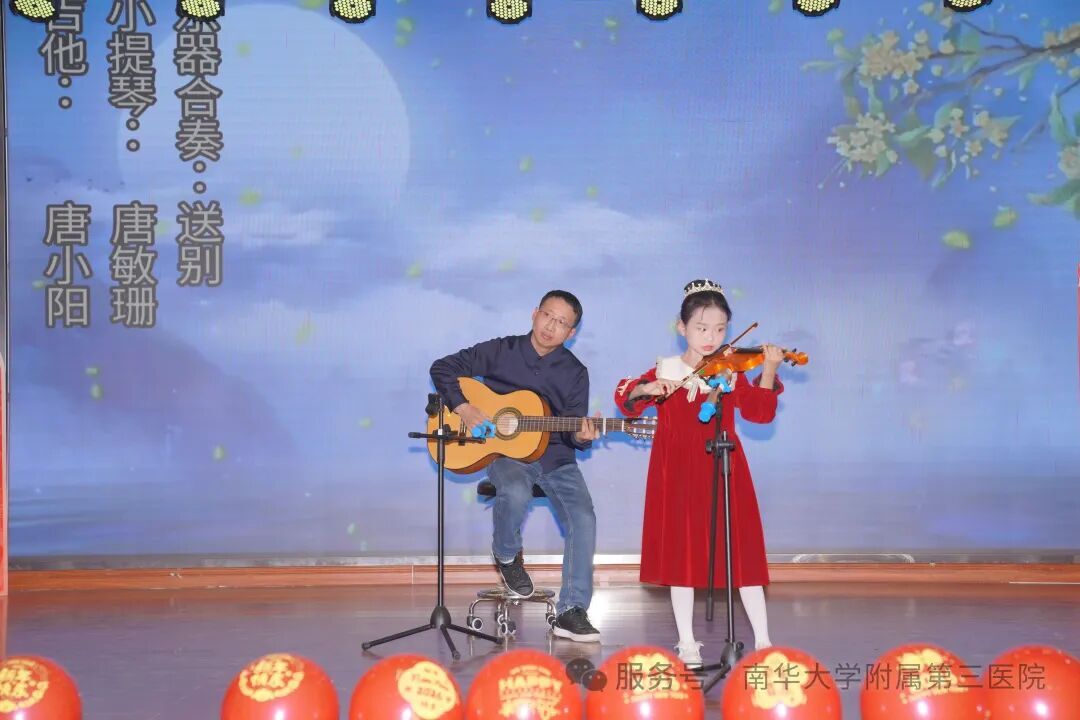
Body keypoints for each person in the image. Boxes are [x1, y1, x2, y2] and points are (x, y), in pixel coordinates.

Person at [613, 278, 784, 668]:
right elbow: (626, 398)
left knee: (742, 552)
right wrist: (647, 389)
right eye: (701, 328)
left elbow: (760, 413)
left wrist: (769, 369)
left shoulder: (730, 371)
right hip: (677, 470)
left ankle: (763, 640)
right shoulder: (666, 369)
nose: (711, 338)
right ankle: (687, 642)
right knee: (682, 555)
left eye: (720, 329)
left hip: (724, 466)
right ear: (682, 327)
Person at [429, 290, 603, 642]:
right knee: (515, 489)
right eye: (548, 316)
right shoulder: (501, 350)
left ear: (571, 333)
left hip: (556, 459)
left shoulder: (575, 373)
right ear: (534, 313)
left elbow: (572, 432)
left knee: (583, 517)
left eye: (562, 323)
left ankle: (571, 611)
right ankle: (507, 555)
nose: (551, 326)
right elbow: (442, 367)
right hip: (506, 455)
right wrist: (464, 407)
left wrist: (582, 437)